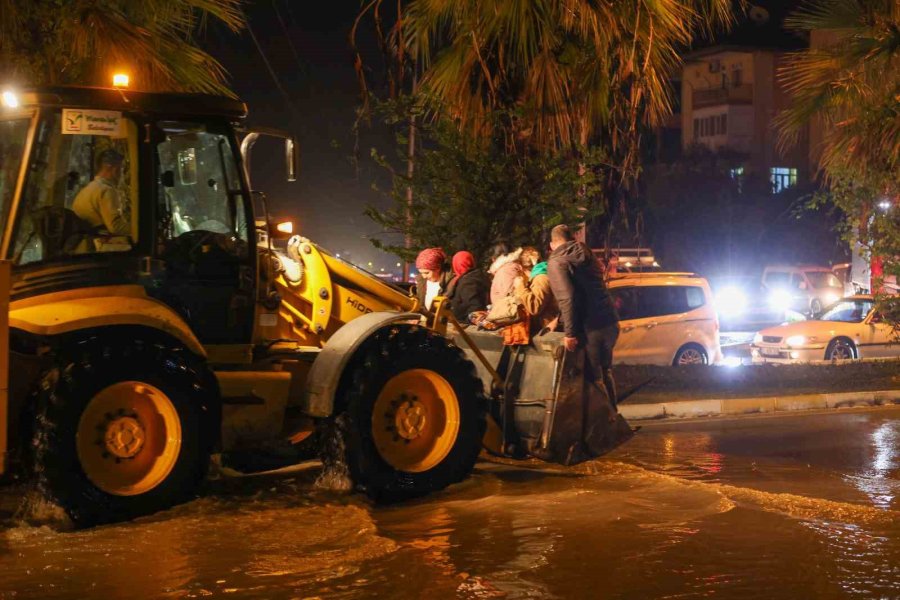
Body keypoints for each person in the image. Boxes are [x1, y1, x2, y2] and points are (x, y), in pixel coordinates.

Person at [546, 224, 620, 410]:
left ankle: (605, 426)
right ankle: (614, 416)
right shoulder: (587, 254)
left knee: (593, 379)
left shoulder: (556, 261)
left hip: (590, 328)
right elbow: (581, 291)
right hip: (609, 321)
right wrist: (559, 318)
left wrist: (569, 333)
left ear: (553, 244)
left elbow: (567, 297)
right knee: (605, 371)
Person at [72, 148, 130, 237]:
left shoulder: (87, 189)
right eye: (121, 168)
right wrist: (139, 229)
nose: (122, 173)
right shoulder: (106, 190)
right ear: (111, 167)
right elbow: (116, 227)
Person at [488, 244, 529, 345]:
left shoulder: (506, 270)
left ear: (494, 259)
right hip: (511, 321)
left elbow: (508, 299)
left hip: (512, 323)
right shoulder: (509, 267)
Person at [514, 249, 559, 334]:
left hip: (548, 329)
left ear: (521, 267)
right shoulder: (543, 274)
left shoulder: (541, 278)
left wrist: (520, 287)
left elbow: (535, 307)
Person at [445, 250, 489, 324]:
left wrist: (468, 320)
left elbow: (475, 307)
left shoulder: (468, 281)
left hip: (465, 324)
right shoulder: (477, 276)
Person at [414, 247, 453, 312]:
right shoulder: (421, 282)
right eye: (421, 273)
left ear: (438, 268)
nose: (424, 276)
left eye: (427, 273)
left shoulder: (451, 282)